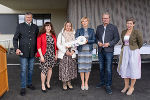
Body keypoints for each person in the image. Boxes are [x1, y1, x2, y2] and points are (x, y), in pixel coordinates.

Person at [13, 12, 39, 96]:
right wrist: (16, 48)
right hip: (22, 52)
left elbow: (37, 39)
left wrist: (37, 51)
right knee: (23, 70)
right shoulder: (20, 26)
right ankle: (23, 87)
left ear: (32, 18)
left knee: (31, 69)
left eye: (30, 17)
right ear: (25, 18)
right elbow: (15, 39)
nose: (28, 18)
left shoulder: (35, 27)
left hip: (32, 52)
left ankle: (29, 83)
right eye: (27, 17)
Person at [117, 17, 143, 95]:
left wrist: (135, 49)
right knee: (124, 68)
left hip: (134, 52)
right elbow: (123, 42)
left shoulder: (137, 32)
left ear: (133, 24)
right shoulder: (123, 32)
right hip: (125, 51)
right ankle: (126, 86)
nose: (129, 25)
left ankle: (131, 87)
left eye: (130, 23)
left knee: (133, 68)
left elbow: (140, 43)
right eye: (128, 23)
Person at [96, 12, 120, 94]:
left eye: (106, 18)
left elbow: (117, 38)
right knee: (101, 68)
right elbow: (96, 37)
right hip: (100, 50)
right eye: (103, 18)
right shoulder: (99, 27)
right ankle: (102, 82)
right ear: (102, 19)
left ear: (109, 19)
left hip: (109, 51)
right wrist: (98, 42)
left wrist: (109, 43)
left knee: (109, 69)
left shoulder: (113, 27)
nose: (105, 19)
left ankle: (108, 85)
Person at [36, 22, 58, 93]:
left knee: (50, 69)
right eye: (47, 26)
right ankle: (43, 84)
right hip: (44, 55)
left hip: (52, 55)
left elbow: (56, 46)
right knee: (44, 70)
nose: (48, 28)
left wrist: (56, 54)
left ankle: (48, 83)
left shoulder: (53, 36)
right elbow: (38, 47)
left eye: (49, 26)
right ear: (44, 27)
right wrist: (41, 56)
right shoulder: (41, 35)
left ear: (51, 27)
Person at [75, 17, 95, 90]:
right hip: (81, 52)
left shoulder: (91, 30)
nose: (84, 22)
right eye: (83, 21)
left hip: (88, 52)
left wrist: (87, 41)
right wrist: (80, 42)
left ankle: (86, 82)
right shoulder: (79, 30)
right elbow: (76, 40)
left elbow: (94, 40)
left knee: (87, 68)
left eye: (86, 21)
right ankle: (82, 83)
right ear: (81, 23)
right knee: (81, 68)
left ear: (88, 22)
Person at [57, 21, 77, 90]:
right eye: (67, 26)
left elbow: (75, 44)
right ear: (65, 26)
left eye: (70, 26)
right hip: (64, 53)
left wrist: (73, 51)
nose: (68, 27)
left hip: (71, 54)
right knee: (64, 69)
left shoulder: (74, 34)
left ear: (71, 27)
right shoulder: (61, 34)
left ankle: (69, 82)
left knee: (70, 69)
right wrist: (66, 51)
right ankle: (64, 83)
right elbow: (58, 44)